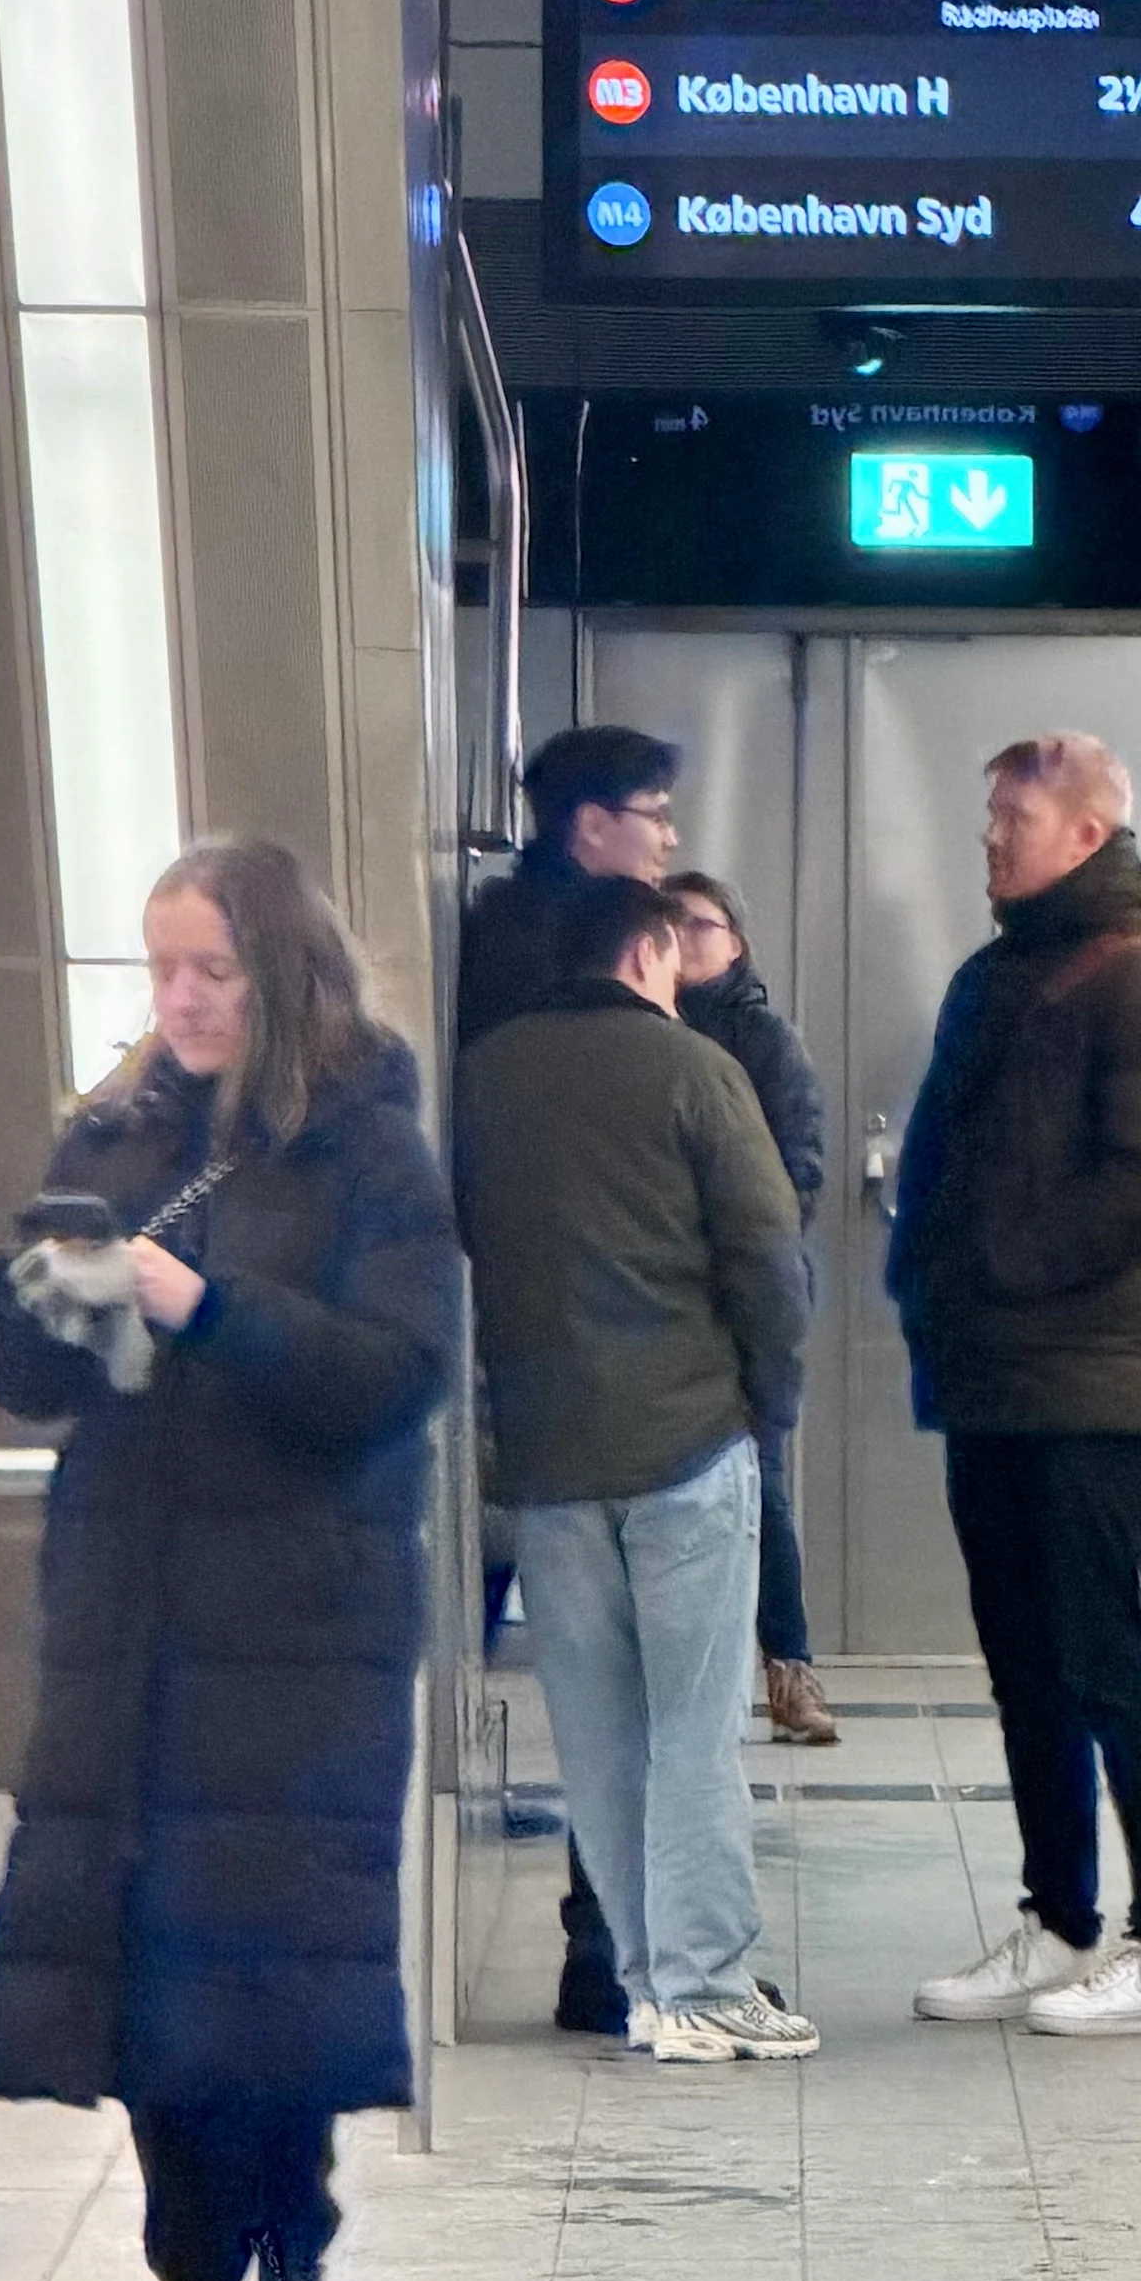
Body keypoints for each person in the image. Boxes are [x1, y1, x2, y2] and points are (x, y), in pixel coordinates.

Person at [0, 840, 460, 2281]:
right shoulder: (112, 1133)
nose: (180, 1000)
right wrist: (28, 1298)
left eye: (214, 972)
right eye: (163, 965)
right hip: (130, 1627)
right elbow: (22, 1384)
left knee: (267, 1994)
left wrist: (205, 1303)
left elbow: (392, 1373)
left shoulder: (373, 1149)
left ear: (283, 977)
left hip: (299, 1639)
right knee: (146, 1994)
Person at [889, 731, 1141, 2039]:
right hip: (992, 1374)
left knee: (1103, 1654)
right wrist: (927, 1275)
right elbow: (941, 1152)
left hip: (1089, 1376)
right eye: (986, 824)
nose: (989, 843)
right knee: (1023, 1658)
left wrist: (997, 1263)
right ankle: (1061, 1918)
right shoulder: (994, 976)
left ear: (1085, 832)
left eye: (1011, 823)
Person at [459, 872, 816, 2063]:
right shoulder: (695, 1072)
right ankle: (706, 1983)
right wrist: (769, 1405)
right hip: (683, 1446)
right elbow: (769, 1253)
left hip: (548, 1460)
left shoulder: (483, 1080)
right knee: (692, 1728)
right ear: (654, 951)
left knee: (601, 1741)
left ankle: (644, 1981)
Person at [459, 719, 683, 2026]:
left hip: (518, 1355)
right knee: (627, 1685)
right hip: (588, 1370)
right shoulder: (577, 978)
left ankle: (609, 1947)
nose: (665, 836)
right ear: (589, 827)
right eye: (650, 812)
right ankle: (613, 1953)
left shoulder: (493, 956)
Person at [666, 868, 836, 1747]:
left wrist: (741, 1247)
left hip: (748, 1292)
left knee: (762, 1482)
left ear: (736, 939)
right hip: (663, 1298)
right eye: (672, 924)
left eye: (703, 925)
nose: (686, 940)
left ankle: (790, 1669)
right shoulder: (642, 1035)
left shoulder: (765, 1041)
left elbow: (799, 1170)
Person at [459, 719, 681, 1051]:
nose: (671, 839)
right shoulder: (535, 948)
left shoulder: (560, 918)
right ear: (592, 825)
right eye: (657, 817)